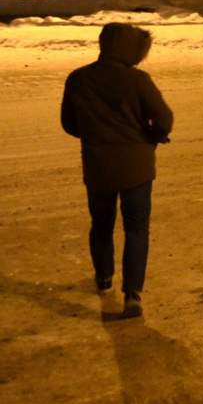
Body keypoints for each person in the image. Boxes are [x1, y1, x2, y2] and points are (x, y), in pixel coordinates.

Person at [60, 23, 174, 319]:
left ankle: (104, 277)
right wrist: (152, 135)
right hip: (137, 168)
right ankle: (133, 294)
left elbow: (69, 124)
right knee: (136, 228)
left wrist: (94, 134)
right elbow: (163, 117)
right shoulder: (137, 80)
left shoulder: (78, 79)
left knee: (101, 223)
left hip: (98, 167)